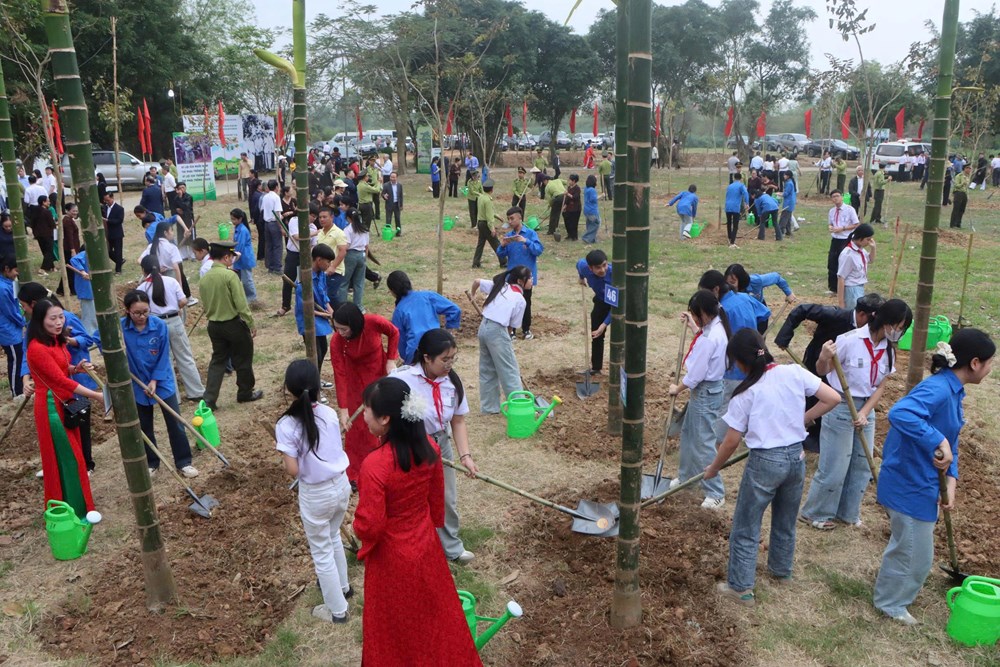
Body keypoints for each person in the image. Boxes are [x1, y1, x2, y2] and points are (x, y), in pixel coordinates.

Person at [353, 377, 484, 666]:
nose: (363, 415)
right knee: (434, 614)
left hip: (391, 555)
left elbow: (370, 525)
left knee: (392, 625)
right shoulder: (429, 448)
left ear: (385, 418)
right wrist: (428, 523)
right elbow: (437, 502)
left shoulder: (375, 465)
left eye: (366, 409)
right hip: (424, 545)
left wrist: (358, 530)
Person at [708, 329, 841, 607]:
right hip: (796, 458)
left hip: (765, 463)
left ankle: (741, 588)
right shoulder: (794, 372)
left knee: (746, 525)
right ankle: (781, 570)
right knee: (785, 519)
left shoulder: (746, 394)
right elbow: (833, 398)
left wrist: (713, 469)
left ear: (741, 362)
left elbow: (731, 441)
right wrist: (803, 419)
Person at [873, 329, 995, 625]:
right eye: (992, 362)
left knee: (908, 545)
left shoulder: (953, 391)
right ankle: (890, 603)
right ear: (975, 363)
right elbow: (900, 413)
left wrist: (951, 481)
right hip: (908, 482)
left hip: (924, 482)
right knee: (915, 553)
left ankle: (890, 595)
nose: (993, 368)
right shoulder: (939, 389)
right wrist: (936, 440)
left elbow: (950, 439)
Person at [799, 299, 913, 531]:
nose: (899, 332)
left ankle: (848, 512)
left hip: (865, 409)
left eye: (903, 328)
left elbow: (881, 385)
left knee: (862, 465)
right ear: (887, 322)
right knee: (836, 465)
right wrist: (823, 356)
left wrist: (865, 412)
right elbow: (823, 371)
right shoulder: (849, 341)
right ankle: (815, 513)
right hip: (840, 403)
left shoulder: (889, 350)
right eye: (899, 326)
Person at [392, 329, 479, 562]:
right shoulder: (402, 380)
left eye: (453, 358)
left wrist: (465, 456)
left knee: (446, 497)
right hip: (413, 445)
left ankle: (451, 547)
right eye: (445, 359)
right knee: (412, 499)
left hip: (441, 443)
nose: (450, 364)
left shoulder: (452, 382)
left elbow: (458, 421)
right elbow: (381, 408)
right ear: (427, 358)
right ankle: (414, 548)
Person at [276, 359, 353, 623]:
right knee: (332, 537)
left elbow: (293, 470)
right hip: (342, 486)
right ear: (318, 386)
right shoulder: (329, 414)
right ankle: (344, 588)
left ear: (289, 389)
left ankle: (337, 610)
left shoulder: (286, 425)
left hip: (316, 494)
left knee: (321, 550)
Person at [26, 298, 103, 518]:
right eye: (53, 318)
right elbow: (59, 381)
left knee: (74, 453)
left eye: (61, 317)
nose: (59, 322)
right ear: (40, 320)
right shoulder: (36, 348)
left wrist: (76, 368)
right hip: (52, 407)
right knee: (68, 457)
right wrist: (96, 396)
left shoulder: (55, 341)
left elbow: (62, 370)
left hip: (65, 402)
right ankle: (71, 508)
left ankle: (77, 505)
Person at [121, 290, 199, 477]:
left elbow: (164, 356)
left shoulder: (159, 325)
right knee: (145, 426)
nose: (142, 317)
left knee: (175, 422)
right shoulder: (120, 327)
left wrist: (155, 380)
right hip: (137, 382)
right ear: (127, 311)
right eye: (137, 313)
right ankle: (151, 463)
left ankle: (183, 461)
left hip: (161, 380)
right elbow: (98, 339)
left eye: (145, 311)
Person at [668, 289, 731, 509]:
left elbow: (695, 375)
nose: (694, 318)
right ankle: (686, 478)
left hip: (706, 391)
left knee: (703, 441)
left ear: (705, 313)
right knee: (688, 433)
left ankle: (715, 492)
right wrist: (692, 326)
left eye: (695, 315)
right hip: (708, 390)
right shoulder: (715, 327)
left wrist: (678, 388)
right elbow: (703, 339)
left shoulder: (711, 337)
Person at [329, 303, 399, 484]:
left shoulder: (373, 322)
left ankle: (387, 464)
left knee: (384, 419)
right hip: (355, 383)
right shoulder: (337, 341)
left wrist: (391, 360)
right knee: (358, 427)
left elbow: (393, 332)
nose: (340, 333)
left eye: (344, 329)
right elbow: (340, 373)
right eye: (337, 328)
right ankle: (356, 473)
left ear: (355, 323)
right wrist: (343, 409)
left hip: (379, 376)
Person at [200, 240, 262, 410]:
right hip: (233, 324)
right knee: (242, 358)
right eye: (231, 257)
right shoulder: (230, 276)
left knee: (218, 361)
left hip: (214, 325)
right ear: (226, 257)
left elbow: (205, 304)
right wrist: (250, 323)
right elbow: (241, 304)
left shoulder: (205, 278)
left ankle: (209, 400)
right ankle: (245, 392)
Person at [136, 256, 205, 401]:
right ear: (159, 266)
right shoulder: (171, 281)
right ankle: (196, 391)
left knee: (164, 361)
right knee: (185, 357)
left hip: (155, 326)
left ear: (143, 270)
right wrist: (175, 308)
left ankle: (173, 396)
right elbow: (183, 300)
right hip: (174, 320)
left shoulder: (141, 288)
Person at [471, 267, 530, 414]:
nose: (532, 280)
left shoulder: (500, 286)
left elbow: (477, 281)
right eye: (530, 278)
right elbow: (511, 327)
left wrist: (472, 295)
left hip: (483, 328)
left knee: (487, 369)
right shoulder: (520, 300)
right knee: (509, 370)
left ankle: (489, 408)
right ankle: (519, 407)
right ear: (520, 281)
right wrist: (505, 341)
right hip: (497, 331)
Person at [387, 271, 461, 363]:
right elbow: (455, 309)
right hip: (437, 346)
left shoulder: (399, 311)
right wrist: (448, 333)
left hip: (416, 353)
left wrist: (407, 360)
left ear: (392, 291)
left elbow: (400, 341)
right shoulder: (428, 296)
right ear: (409, 283)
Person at [496, 206, 543, 340]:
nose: (510, 221)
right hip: (512, 277)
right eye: (508, 219)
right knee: (512, 303)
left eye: (512, 218)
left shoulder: (530, 234)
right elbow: (501, 254)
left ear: (520, 218)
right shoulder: (509, 236)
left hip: (526, 277)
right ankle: (511, 331)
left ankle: (526, 329)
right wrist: (503, 245)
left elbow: (538, 250)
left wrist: (526, 242)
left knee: (526, 302)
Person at [295, 245, 336, 369]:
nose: (329, 265)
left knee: (323, 349)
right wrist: (325, 314)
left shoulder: (321, 274)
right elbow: (304, 308)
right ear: (319, 260)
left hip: (320, 317)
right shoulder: (303, 278)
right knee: (315, 353)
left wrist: (330, 310)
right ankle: (313, 381)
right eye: (328, 262)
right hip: (309, 319)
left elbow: (323, 295)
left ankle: (316, 377)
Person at [578, 249, 613, 374]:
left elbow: (617, 307)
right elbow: (579, 263)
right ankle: (596, 368)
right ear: (590, 268)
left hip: (619, 304)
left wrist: (604, 325)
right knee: (596, 334)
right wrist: (581, 278)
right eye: (598, 267)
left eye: (604, 265)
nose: (602, 270)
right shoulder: (584, 267)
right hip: (601, 301)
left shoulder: (615, 275)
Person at [826, 190, 861, 294]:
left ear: (842, 197)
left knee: (843, 263)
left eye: (837, 196)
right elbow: (830, 223)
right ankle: (833, 288)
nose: (835, 198)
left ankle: (844, 287)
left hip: (845, 239)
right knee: (832, 263)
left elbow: (856, 224)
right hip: (835, 238)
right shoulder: (832, 211)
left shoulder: (849, 210)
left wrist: (843, 228)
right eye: (833, 197)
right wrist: (831, 227)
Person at [0, 257, 25, 397]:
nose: (17, 273)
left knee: (19, 357)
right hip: (7, 330)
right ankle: (16, 392)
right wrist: (23, 321)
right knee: (15, 360)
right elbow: (10, 311)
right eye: (15, 270)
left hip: (14, 328)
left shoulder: (10, 283)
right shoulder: (2, 289)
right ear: (7, 269)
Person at [314, 206, 348, 307]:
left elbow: (343, 251)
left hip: (335, 271)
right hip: (322, 270)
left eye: (325, 217)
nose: (322, 219)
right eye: (320, 217)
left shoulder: (339, 233)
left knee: (331, 295)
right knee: (322, 295)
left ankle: (340, 315)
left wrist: (333, 266)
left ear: (332, 217)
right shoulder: (319, 233)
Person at [837, 224, 875, 310]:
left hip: (859, 286)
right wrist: (841, 302)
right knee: (853, 316)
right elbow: (841, 277)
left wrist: (873, 248)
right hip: (851, 289)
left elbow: (871, 260)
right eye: (867, 239)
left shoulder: (860, 249)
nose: (869, 242)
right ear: (860, 238)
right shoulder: (848, 255)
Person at [724, 264, 795, 306]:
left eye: (733, 283)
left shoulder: (756, 281)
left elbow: (776, 277)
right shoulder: (724, 289)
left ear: (741, 280)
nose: (729, 286)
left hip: (758, 310)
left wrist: (789, 293)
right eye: (727, 283)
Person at [471, 179, 502, 269]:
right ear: (492, 190)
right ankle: (503, 261)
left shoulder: (481, 197)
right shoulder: (488, 200)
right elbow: (489, 217)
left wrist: (497, 216)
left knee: (480, 244)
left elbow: (485, 212)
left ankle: (476, 262)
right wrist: (492, 228)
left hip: (480, 222)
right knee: (496, 243)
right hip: (486, 224)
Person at [342, 208, 370, 308]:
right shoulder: (364, 228)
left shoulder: (348, 229)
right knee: (359, 283)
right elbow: (367, 246)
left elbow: (347, 245)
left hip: (351, 255)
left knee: (344, 282)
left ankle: (342, 305)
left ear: (349, 218)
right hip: (361, 254)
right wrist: (364, 257)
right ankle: (358, 306)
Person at [66, 245, 97, 334]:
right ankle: (89, 333)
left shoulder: (96, 257)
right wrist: (83, 271)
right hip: (86, 289)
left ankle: (94, 331)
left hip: (93, 289)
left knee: (93, 313)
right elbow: (74, 259)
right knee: (88, 314)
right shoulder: (85, 254)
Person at [260, 179, 285, 274]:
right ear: (276, 187)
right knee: (277, 245)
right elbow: (277, 214)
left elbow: (262, 209)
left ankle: (270, 266)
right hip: (274, 223)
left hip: (266, 223)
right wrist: (281, 227)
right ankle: (277, 267)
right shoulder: (276, 197)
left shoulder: (265, 197)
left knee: (269, 245)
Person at [31, 195, 56, 274]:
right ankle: (43, 269)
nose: (49, 202)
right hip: (47, 234)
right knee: (49, 251)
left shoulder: (35, 210)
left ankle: (51, 267)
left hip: (38, 234)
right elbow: (52, 224)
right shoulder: (47, 212)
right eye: (47, 201)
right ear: (43, 202)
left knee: (45, 251)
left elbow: (32, 223)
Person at [101, 192, 126, 273]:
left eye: (108, 200)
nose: (106, 202)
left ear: (112, 198)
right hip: (108, 233)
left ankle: (118, 270)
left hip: (117, 233)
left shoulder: (119, 208)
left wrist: (108, 220)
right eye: (105, 200)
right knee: (107, 250)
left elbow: (119, 220)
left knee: (118, 251)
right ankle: (119, 261)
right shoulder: (104, 208)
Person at [724, 173, 749, 249]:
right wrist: (746, 203)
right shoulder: (741, 186)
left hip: (727, 206)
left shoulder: (730, 186)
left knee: (729, 223)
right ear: (741, 179)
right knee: (735, 225)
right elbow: (745, 193)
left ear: (734, 178)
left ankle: (729, 237)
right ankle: (732, 243)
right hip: (735, 207)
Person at [541, 173, 566, 239]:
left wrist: (550, 205)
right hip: (565, 197)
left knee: (553, 215)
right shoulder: (558, 180)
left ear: (546, 180)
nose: (544, 183)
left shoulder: (547, 187)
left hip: (557, 198)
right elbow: (566, 182)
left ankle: (551, 231)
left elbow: (549, 199)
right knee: (557, 213)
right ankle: (556, 227)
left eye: (543, 182)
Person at [381, 172, 403, 237]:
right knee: (388, 220)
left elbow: (401, 196)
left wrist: (401, 205)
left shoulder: (399, 185)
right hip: (389, 205)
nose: (393, 178)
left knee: (398, 219)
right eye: (391, 177)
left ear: (396, 178)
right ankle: (388, 233)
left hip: (397, 205)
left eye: (394, 177)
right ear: (390, 177)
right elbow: (382, 193)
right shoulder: (386, 185)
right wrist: (384, 196)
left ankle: (398, 233)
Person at [562, 174, 582, 241]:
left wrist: (568, 194)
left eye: (570, 180)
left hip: (575, 209)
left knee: (574, 223)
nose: (569, 181)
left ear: (574, 181)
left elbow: (575, 197)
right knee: (567, 221)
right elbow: (567, 198)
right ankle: (569, 234)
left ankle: (574, 237)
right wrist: (565, 205)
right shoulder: (569, 187)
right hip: (568, 208)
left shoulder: (577, 188)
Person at [950, 164, 971, 229]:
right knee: (956, 208)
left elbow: (966, 187)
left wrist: (967, 195)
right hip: (958, 193)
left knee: (962, 209)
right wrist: (962, 184)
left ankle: (958, 223)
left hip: (964, 193)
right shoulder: (959, 176)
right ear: (965, 169)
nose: (969, 170)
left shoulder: (967, 177)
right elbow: (956, 185)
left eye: (970, 168)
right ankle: (953, 224)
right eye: (968, 168)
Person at [582, 174, 601, 244]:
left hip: (586, 210)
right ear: (594, 182)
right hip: (592, 210)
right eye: (596, 181)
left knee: (590, 224)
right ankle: (586, 238)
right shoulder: (592, 190)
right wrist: (602, 196)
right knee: (596, 223)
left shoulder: (586, 188)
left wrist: (595, 177)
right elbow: (594, 199)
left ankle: (592, 239)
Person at [779, 171, 797, 238]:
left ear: (788, 176)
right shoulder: (790, 182)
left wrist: (780, 194)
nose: (784, 176)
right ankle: (788, 231)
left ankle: (780, 231)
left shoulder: (789, 183)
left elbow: (786, 194)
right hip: (790, 202)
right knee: (788, 218)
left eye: (785, 175)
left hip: (788, 203)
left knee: (783, 217)